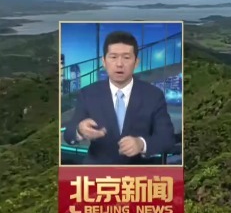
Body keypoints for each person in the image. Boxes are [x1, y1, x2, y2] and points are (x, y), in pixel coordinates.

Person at [63, 31, 176, 165]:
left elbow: (167, 138)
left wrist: (141, 144)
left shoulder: (153, 95)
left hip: (139, 176)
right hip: (97, 173)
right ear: (104, 62)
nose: (119, 64)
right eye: (113, 57)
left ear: (136, 62)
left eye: (126, 57)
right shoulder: (88, 93)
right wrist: (80, 130)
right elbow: (69, 134)